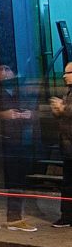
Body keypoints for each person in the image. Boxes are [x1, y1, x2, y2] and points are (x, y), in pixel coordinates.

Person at [0, 65, 36, 231]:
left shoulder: (19, 92)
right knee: (14, 179)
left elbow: (33, 112)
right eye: (2, 70)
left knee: (19, 178)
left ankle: (15, 215)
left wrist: (28, 115)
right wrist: (3, 115)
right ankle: (13, 217)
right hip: (4, 141)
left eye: (8, 69)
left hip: (20, 140)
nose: (6, 72)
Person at [50, 62, 72, 228]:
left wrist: (63, 108)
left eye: (67, 72)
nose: (64, 75)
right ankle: (67, 216)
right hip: (67, 146)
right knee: (67, 184)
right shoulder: (69, 92)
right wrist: (59, 112)